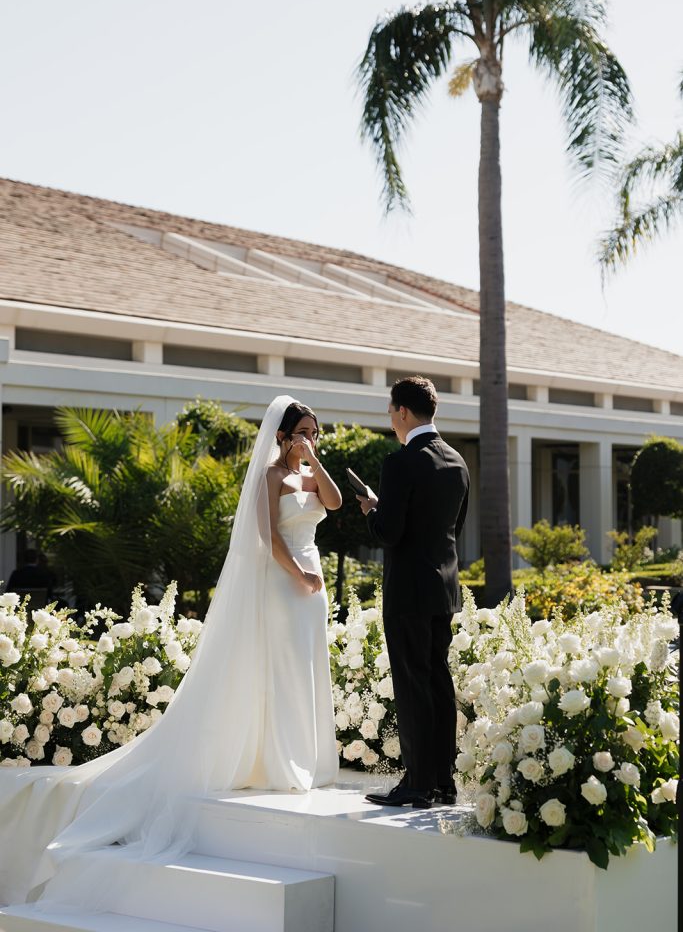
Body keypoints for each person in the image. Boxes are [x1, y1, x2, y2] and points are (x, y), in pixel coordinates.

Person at [0, 395, 341, 909]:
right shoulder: (269, 478)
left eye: (314, 434)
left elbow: (334, 505)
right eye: (301, 434)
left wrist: (314, 460)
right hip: (285, 582)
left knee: (309, 668)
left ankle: (306, 758)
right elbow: (267, 539)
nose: (307, 441)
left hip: (312, 591)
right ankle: (277, 761)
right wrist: (300, 575)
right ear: (280, 436)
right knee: (283, 669)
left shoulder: (312, 475)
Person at [357, 376, 469, 809]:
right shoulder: (456, 461)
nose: (391, 420)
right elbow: (453, 530)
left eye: (390, 411)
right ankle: (443, 781)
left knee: (411, 684)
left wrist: (373, 509)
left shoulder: (400, 463)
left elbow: (389, 532)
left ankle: (418, 783)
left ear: (403, 411)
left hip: (407, 591)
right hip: (443, 588)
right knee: (439, 682)